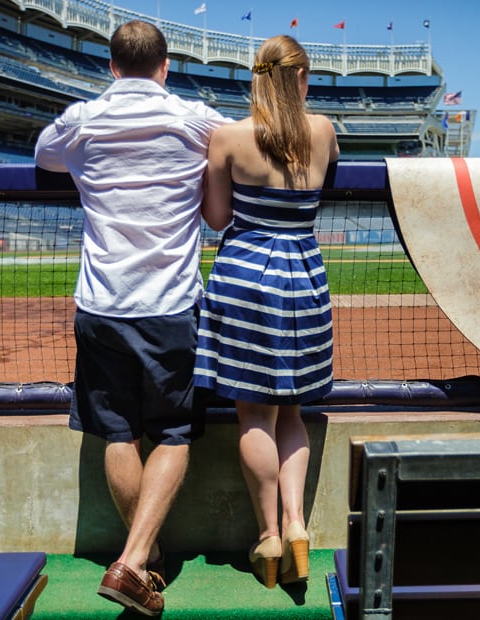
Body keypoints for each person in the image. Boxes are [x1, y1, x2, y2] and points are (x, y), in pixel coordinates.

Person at [34, 20, 229, 617]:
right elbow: (233, 163)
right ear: (165, 66)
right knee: (171, 432)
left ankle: (145, 558)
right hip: (170, 305)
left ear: (112, 67)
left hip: (101, 303)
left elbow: (44, 155)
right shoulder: (197, 118)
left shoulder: (82, 119)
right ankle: (134, 560)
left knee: (118, 432)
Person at [193, 35, 340, 589]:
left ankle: (267, 536)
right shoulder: (324, 131)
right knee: (292, 411)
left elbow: (215, 217)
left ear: (256, 78)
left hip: (243, 277)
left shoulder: (227, 137)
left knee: (253, 415)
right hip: (303, 276)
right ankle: (298, 525)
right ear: (301, 78)